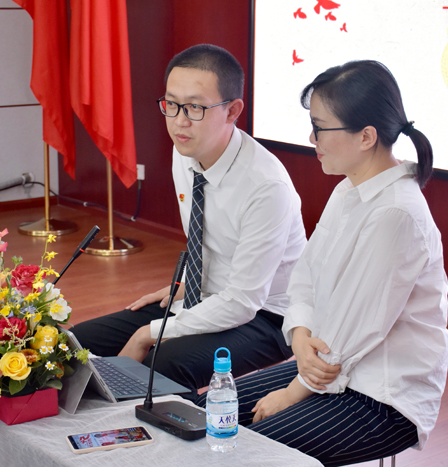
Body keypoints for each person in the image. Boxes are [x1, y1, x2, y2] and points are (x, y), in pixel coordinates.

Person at [198, 60, 448, 466]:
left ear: (366, 136)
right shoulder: (348, 190)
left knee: (242, 453)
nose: (311, 138)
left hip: (380, 395)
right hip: (324, 365)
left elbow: (355, 330)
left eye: (319, 127)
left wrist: (291, 392)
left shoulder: (396, 213)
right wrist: (300, 335)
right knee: (203, 414)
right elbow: (305, 277)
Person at [72, 44, 307, 401]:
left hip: (267, 316)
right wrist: (185, 286)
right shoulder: (185, 149)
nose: (179, 121)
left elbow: (243, 301)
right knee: (77, 343)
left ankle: (159, 434)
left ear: (232, 111)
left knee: (162, 363)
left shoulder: (266, 186)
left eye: (195, 107)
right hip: (207, 295)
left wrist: (148, 333)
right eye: (171, 104)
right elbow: (206, 238)